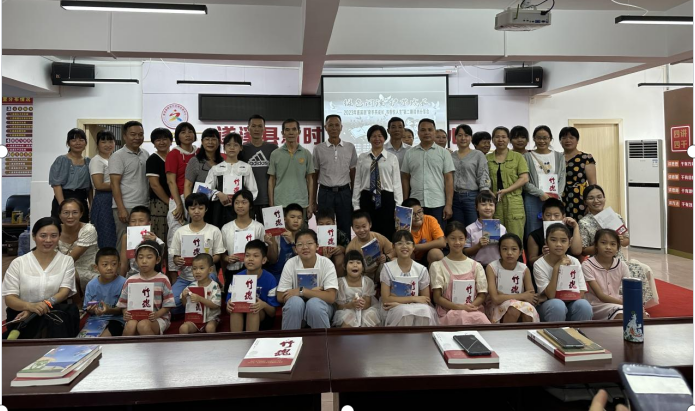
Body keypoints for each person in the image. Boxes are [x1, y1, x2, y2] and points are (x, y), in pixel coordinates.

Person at [579, 185, 657, 306]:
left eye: (599, 197)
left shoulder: (615, 217)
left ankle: (637, 304)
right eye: (591, 198)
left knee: (637, 269)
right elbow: (583, 250)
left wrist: (619, 241)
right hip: (599, 262)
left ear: (604, 198)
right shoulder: (584, 223)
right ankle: (623, 303)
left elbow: (626, 240)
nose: (596, 201)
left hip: (619, 260)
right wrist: (602, 245)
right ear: (585, 202)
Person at [2, 217, 79, 339]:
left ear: (59, 236)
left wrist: (40, 306)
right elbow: (10, 298)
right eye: (43, 236)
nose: (48, 240)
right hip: (22, 314)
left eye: (53, 236)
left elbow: (64, 292)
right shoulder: (19, 263)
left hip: (54, 313)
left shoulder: (66, 261)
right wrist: (29, 307)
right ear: (34, 236)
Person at [169, 193, 225, 313]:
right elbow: (175, 257)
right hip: (185, 278)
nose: (196, 211)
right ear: (188, 210)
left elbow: (218, 256)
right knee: (170, 303)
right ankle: (192, 308)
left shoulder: (214, 230)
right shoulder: (180, 232)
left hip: (208, 276)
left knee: (209, 298)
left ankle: (197, 305)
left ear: (206, 209)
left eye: (200, 208)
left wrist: (205, 262)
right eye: (192, 208)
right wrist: (177, 260)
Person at [276, 229, 338, 330]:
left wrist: (302, 291)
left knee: (314, 304)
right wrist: (313, 292)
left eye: (309, 243)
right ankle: (290, 339)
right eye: (300, 244)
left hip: (321, 307)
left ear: (317, 246)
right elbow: (280, 296)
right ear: (295, 249)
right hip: (297, 309)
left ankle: (322, 339)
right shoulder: (290, 263)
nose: (305, 247)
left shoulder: (326, 263)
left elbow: (331, 297)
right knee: (295, 302)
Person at [431, 221, 490, 325]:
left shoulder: (476, 266)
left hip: (473, 310)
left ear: (465, 239)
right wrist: (459, 307)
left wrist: (469, 307)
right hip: (448, 312)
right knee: (462, 316)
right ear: (446, 239)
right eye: (453, 238)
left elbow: (482, 294)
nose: (457, 242)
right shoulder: (438, 266)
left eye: (461, 238)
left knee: (482, 321)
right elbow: (437, 297)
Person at [401, 118, 455, 230]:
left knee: (438, 235)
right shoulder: (410, 153)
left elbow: (449, 179)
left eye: (430, 130)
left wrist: (449, 205)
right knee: (415, 235)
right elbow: (405, 178)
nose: (426, 133)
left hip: (437, 203)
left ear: (434, 132)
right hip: (415, 203)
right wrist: (406, 203)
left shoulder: (444, 153)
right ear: (418, 133)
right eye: (423, 130)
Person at [533, 224, 593, 322]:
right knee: (557, 305)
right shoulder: (539, 264)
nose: (558, 244)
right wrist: (557, 268)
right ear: (546, 242)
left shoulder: (574, 261)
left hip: (569, 305)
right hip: (549, 306)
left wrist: (561, 297)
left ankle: (578, 331)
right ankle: (555, 331)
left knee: (584, 305)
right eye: (553, 240)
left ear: (569, 243)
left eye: (563, 241)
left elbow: (581, 293)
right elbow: (551, 295)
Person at [353, 124, 403, 240]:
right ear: (369, 138)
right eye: (373, 136)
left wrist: (398, 206)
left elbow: (396, 183)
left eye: (380, 136)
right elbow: (357, 182)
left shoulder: (392, 158)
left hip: (386, 198)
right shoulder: (362, 158)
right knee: (367, 231)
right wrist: (356, 205)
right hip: (367, 198)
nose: (377, 139)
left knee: (387, 230)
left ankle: (387, 251)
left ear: (384, 138)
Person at [380, 230, 438, 326]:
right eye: (399, 243)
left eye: (408, 243)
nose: (404, 246)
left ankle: (422, 337)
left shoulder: (421, 269)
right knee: (404, 311)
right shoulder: (387, 268)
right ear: (393, 247)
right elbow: (386, 299)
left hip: (415, 306)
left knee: (425, 311)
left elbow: (425, 299)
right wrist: (413, 299)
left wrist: (406, 303)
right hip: (394, 308)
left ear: (413, 246)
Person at [118, 241, 176, 336]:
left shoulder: (163, 279)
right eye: (140, 257)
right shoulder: (131, 280)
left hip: (158, 317)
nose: (144, 261)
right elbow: (123, 303)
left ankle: (153, 345)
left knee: (143, 325)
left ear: (157, 260)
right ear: (136, 260)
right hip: (135, 317)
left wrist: (157, 314)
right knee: (130, 325)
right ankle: (126, 346)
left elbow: (168, 304)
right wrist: (125, 313)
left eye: (149, 257)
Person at [313, 114, 357, 236]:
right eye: (330, 125)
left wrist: (354, 196)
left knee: (345, 226)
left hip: (344, 193)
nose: (334, 128)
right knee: (325, 227)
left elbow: (353, 173)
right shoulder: (318, 149)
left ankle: (344, 248)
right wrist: (313, 200)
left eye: (337, 125)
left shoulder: (350, 147)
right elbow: (315, 175)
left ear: (341, 127)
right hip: (325, 193)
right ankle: (325, 248)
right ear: (325, 127)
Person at [205, 132, 258, 228]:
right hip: (220, 209)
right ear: (224, 148)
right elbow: (205, 190)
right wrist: (218, 194)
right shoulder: (216, 168)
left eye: (236, 145)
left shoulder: (246, 167)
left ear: (241, 148)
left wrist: (241, 201)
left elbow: (253, 191)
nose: (232, 148)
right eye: (228, 145)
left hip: (240, 209)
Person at [110, 121, 149, 251]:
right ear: (125, 136)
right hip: (126, 206)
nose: (137, 137)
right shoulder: (117, 156)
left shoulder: (145, 154)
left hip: (144, 205)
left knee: (143, 242)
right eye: (133, 134)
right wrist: (121, 208)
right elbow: (114, 183)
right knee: (124, 241)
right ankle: (122, 264)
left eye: (140, 134)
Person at [487, 126, 529, 244]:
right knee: (492, 239)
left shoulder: (518, 157)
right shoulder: (486, 158)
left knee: (515, 238)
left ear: (508, 139)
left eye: (504, 137)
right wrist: (490, 193)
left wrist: (506, 190)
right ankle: (493, 256)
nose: (500, 140)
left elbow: (524, 178)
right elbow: (483, 180)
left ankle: (517, 256)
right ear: (493, 140)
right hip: (492, 203)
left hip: (514, 202)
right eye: (497, 137)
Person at [165, 122, 198, 276]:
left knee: (193, 237)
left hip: (197, 200)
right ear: (178, 136)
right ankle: (173, 279)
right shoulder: (174, 154)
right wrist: (179, 204)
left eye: (190, 131)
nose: (187, 134)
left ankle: (192, 276)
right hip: (179, 199)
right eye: (183, 132)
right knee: (175, 239)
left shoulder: (199, 153)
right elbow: (171, 181)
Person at [523, 125, 566, 240]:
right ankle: (534, 251)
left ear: (550, 139)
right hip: (533, 198)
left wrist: (557, 196)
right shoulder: (526, 157)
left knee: (554, 228)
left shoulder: (559, 156)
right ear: (534, 139)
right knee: (533, 229)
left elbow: (562, 178)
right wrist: (540, 193)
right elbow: (524, 180)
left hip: (554, 198)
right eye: (539, 138)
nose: (542, 141)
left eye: (545, 138)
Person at [485, 233, 540, 323]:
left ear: (520, 252)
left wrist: (503, 296)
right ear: (499, 251)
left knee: (527, 310)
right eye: (505, 249)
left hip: (519, 303)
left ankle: (527, 332)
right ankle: (507, 332)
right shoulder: (492, 267)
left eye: (514, 249)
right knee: (513, 309)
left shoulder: (524, 269)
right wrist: (522, 296)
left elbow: (531, 296)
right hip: (496, 305)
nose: (509, 253)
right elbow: (495, 298)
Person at [226, 240, 280, 332]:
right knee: (235, 307)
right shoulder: (237, 277)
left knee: (252, 307)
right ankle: (236, 339)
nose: (250, 259)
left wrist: (263, 305)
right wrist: (229, 306)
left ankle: (251, 339)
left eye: (255, 256)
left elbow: (272, 313)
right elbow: (228, 310)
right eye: (247, 255)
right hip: (241, 315)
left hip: (262, 317)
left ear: (264, 260)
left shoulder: (270, 279)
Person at [268, 119, 315, 221]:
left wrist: (310, 204)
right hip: (280, 203)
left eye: (294, 129)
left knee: (302, 231)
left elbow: (310, 180)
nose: (291, 132)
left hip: (302, 204)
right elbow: (272, 180)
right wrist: (271, 205)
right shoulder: (275, 154)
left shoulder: (306, 153)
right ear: (283, 133)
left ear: (299, 132)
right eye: (287, 130)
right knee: (281, 231)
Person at [221, 190, 265, 291]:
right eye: (236, 203)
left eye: (244, 202)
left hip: (255, 272)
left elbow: (263, 252)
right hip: (233, 271)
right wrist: (227, 258)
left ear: (250, 205)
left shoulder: (258, 227)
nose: (240, 206)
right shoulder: (226, 228)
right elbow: (222, 254)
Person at [582, 229, 631, 320]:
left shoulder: (622, 265)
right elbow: (600, 295)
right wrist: (626, 304)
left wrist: (633, 303)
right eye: (603, 243)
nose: (608, 247)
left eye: (613, 244)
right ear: (596, 245)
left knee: (640, 313)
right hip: (597, 304)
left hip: (616, 301)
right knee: (621, 314)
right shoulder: (587, 265)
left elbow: (629, 290)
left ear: (617, 247)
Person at [57, 199, 99, 302]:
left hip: (88, 267)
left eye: (75, 212)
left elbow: (71, 259)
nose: (70, 216)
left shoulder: (88, 229)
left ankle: (78, 305)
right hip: (63, 266)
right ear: (60, 215)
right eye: (66, 213)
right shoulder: (55, 230)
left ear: (81, 214)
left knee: (69, 272)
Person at [526, 198, 582, 273]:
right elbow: (531, 262)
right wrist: (543, 255)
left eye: (556, 215)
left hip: (568, 270)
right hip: (544, 271)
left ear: (563, 216)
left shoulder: (571, 231)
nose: (552, 218)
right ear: (542, 216)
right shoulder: (534, 235)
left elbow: (577, 251)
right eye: (548, 215)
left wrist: (576, 227)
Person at [239, 114, 278, 224]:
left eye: (260, 126)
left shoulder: (273, 149)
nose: (256, 129)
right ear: (248, 128)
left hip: (268, 200)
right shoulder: (242, 149)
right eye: (253, 126)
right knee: (248, 231)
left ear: (264, 129)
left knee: (269, 232)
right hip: (248, 200)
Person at [451, 124, 491, 228]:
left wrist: (484, 196)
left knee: (474, 227)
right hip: (454, 197)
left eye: (466, 135)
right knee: (457, 228)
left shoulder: (478, 155)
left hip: (472, 197)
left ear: (471, 138)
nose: (463, 138)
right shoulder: (451, 156)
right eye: (460, 135)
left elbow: (483, 175)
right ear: (455, 138)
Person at [49, 128, 92, 223]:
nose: (78, 143)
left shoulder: (89, 162)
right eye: (74, 140)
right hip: (63, 198)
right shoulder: (61, 160)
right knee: (61, 228)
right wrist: (63, 206)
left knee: (82, 228)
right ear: (68, 143)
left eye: (81, 140)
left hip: (81, 200)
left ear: (85, 143)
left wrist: (91, 205)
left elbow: (90, 188)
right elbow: (56, 185)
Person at [83, 247, 127, 337]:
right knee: (85, 341)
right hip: (95, 319)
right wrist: (92, 310)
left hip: (116, 320)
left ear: (119, 265)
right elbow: (87, 309)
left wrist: (108, 310)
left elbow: (123, 310)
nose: (109, 268)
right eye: (105, 264)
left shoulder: (124, 283)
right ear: (96, 267)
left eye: (114, 264)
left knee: (104, 338)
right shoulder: (91, 285)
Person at [332, 250, 381, 328]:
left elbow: (368, 303)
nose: (355, 265)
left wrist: (361, 304)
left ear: (363, 267)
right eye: (351, 262)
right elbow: (339, 306)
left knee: (371, 316)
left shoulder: (367, 281)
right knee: (348, 318)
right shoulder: (340, 283)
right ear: (344, 266)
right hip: (347, 309)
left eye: (358, 263)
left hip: (364, 309)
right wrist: (351, 305)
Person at [346, 210, 395, 284]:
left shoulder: (377, 236)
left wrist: (386, 257)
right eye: (357, 227)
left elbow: (394, 250)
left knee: (394, 260)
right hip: (363, 276)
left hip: (380, 270)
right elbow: (350, 268)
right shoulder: (351, 247)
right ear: (352, 228)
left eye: (364, 226)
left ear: (370, 224)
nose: (361, 230)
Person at [145, 128, 173, 258]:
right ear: (153, 143)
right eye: (158, 140)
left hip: (175, 202)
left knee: (173, 238)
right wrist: (169, 202)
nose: (162, 142)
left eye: (165, 139)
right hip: (160, 205)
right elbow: (155, 185)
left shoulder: (174, 157)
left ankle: (172, 267)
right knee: (160, 239)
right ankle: (159, 268)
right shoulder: (153, 159)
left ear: (171, 141)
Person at [559, 127, 597, 221]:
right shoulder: (557, 158)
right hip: (560, 197)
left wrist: (591, 203)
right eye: (564, 138)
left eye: (571, 137)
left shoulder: (586, 158)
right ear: (560, 141)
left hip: (579, 198)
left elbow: (593, 184)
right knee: (561, 223)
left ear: (577, 140)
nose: (568, 140)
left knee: (580, 224)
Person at [180, 253, 222, 334]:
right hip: (195, 319)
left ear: (210, 270)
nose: (197, 272)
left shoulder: (214, 286)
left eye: (201, 268)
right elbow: (185, 305)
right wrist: (184, 297)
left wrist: (200, 299)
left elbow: (216, 305)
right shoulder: (191, 286)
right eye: (194, 269)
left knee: (210, 328)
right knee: (183, 328)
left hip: (211, 318)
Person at [119, 206, 166, 278]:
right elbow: (123, 264)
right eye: (133, 221)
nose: (137, 224)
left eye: (141, 221)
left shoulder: (153, 238)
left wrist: (155, 242)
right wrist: (121, 281)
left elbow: (161, 261)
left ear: (149, 223)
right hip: (133, 275)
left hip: (153, 275)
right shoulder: (126, 237)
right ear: (129, 223)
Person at [89, 130, 117, 248]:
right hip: (103, 200)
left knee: (115, 233)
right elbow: (99, 185)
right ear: (98, 144)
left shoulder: (114, 158)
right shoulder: (96, 160)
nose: (107, 145)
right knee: (105, 234)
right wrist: (119, 184)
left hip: (115, 198)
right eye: (103, 142)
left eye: (110, 141)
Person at [463, 191, 507, 267]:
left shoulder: (502, 229)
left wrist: (502, 244)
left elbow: (506, 249)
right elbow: (465, 252)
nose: (488, 208)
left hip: (498, 266)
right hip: (477, 267)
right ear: (476, 207)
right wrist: (478, 246)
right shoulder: (469, 229)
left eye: (491, 205)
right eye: (483, 204)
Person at [264, 203, 303, 282]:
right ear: (284, 219)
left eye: (299, 218)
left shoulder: (304, 236)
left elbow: (305, 260)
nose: (296, 221)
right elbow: (272, 260)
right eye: (292, 217)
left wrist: (292, 242)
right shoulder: (276, 236)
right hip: (276, 277)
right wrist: (271, 244)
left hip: (296, 277)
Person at [403, 198, 446, 267]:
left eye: (419, 212)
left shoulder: (430, 219)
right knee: (407, 254)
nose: (417, 216)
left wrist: (415, 247)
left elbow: (442, 242)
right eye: (412, 214)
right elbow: (402, 248)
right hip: (413, 258)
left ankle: (435, 274)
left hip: (428, 256)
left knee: (436, 253)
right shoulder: (404, 226)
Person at [184, 128, 224, 198]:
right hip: (200, 203)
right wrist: (188, 203)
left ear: (218, 142)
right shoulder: (195, 161)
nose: (210, 142)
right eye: (207, 139)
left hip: (220, 202)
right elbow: (188, 185)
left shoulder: (223, 162)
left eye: (213, 139)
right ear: (202, 142)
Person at [315, 207, 348, 278]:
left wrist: (342, 249)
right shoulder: (314, 236)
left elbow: (349, 247)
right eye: (321, 224)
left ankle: (339, 281)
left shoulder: (340, 234)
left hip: (335, 257)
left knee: (339, 258)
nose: (325, 227)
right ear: (317, 224)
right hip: (320, 259)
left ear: (334, 223)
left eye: (328, 224)